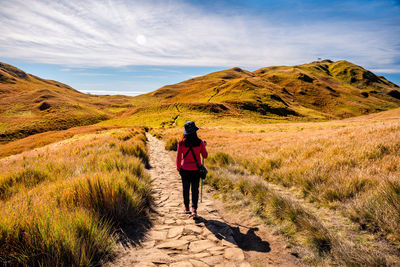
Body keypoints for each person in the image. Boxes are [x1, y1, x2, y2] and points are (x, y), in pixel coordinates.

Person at [176, 121, 208, 216]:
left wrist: (179, 169)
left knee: (185, 189)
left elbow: (178, 158)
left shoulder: (181, 143)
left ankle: (186, 208)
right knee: (195, 190)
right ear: (195, 131)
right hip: (196, 170)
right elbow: (205, 156)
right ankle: (194, 209)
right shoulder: (200, 142)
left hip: (184, 169)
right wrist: (204, 146)